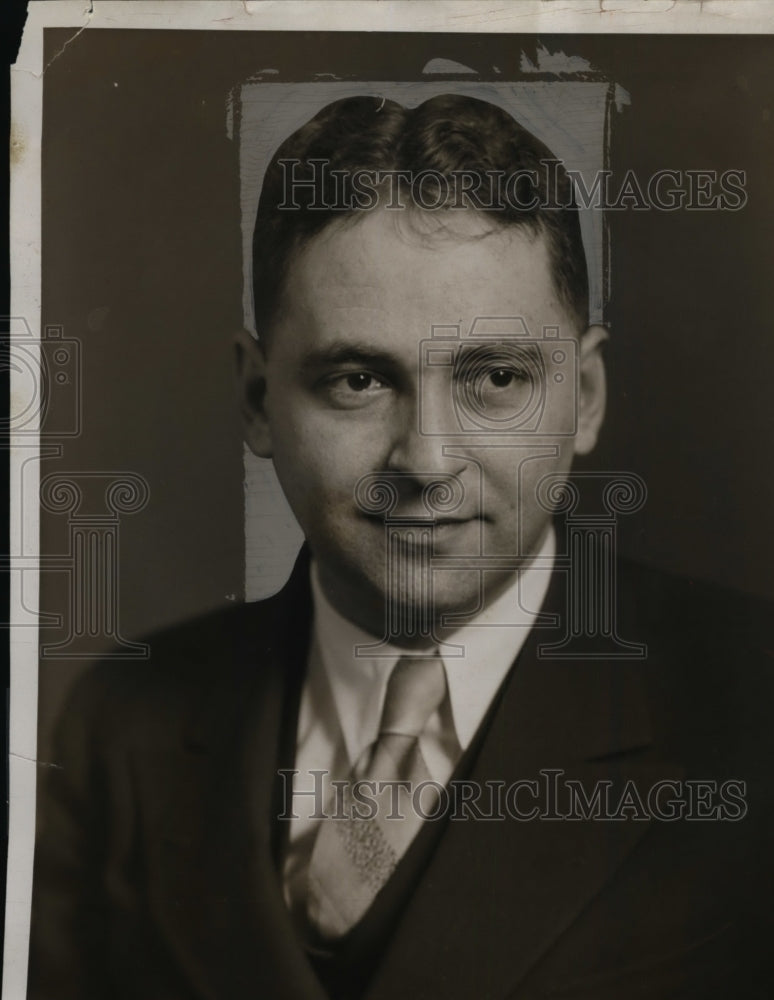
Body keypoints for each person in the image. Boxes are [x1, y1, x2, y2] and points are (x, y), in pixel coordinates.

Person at [28, 95, 773, 1000]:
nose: (426, 459)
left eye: (496, 378)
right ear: (260, 401)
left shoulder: (748, 701)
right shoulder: (120, 727)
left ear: (584, 394)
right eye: (358, 379)